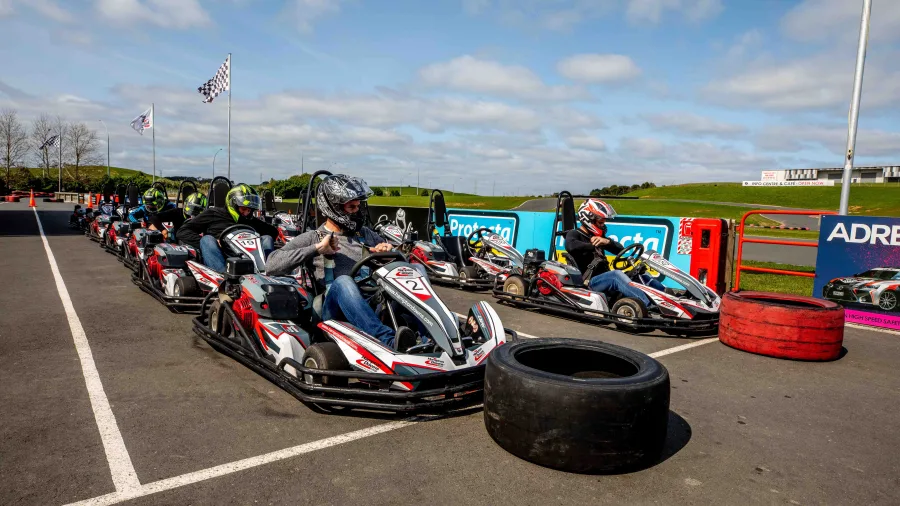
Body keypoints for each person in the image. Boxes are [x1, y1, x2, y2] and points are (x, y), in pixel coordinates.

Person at [265, 174, 419, 352]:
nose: (357, 212)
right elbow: (271, 265)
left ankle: (430, 337)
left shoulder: (366, 234)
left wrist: (390, 254)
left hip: (371, 303)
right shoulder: (313, 237)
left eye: (358, 207)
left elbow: (403, 265)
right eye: (351, 207)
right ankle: (388, 341)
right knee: (344, 282)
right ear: (334, 208)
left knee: (417, 269)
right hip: (334, 312)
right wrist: (316, 249)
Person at [564, 199, 666, 307]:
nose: (603, 225)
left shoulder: (600, 238)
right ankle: (649, 305)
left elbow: (620, 250)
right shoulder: (574, 234)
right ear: (589, 219)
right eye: (601, 222)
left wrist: (607, 242)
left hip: (604, 279)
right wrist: (593, 246)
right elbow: (571, 246)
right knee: (615, 275)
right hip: (589, 282)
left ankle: (669, 299)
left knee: (640, 274)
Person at [177, 184, 278, 272]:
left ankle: (268, 272)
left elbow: (274, 232)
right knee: (207, 239)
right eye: (244, 209)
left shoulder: (249, 220)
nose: (247, 213)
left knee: (267, 239)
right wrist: (215, 242)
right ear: (233, 204)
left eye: (250, 210)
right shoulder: (213, 214)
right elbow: (182, 231)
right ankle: (223, 279)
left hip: (248, 258)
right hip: (221, 256)